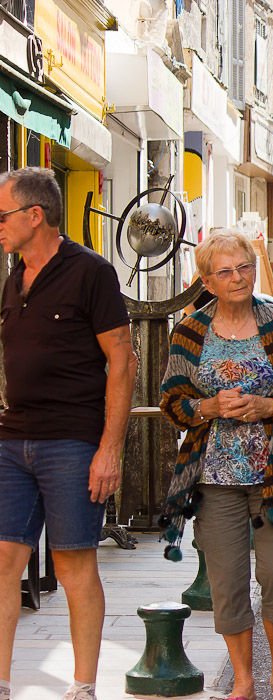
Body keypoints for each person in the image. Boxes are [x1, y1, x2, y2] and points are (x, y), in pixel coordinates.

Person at [159, 230, 273, 700]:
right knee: (227, 582)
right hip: (214, 477)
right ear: (207, 281)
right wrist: (207, 408)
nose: (238, 278)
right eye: (225, 271)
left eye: (244, 267)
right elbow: (171, 399)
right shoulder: (190, 330)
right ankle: (243, 681)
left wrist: (267, 407)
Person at [0, 167, 136, 700]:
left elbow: (122, 360)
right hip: (12, 439)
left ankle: (82, 687)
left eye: (4, 215)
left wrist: (110, 449)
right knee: (5, 561)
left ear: (36, 216)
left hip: (72, 441)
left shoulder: (90, 273)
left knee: (74, 561)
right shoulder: (15, 278)